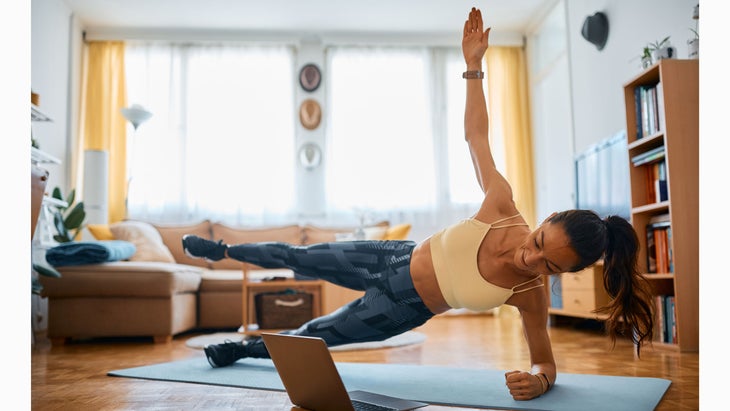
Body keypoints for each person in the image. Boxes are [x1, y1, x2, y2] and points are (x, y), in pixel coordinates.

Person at [181, 7, 654, 401]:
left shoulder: (528, 295)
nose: (531, 258)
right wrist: (473, 66)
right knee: (295, 256)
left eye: (549, 265)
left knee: (314, 336)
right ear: (545, 219)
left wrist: (541, 379)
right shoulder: (503, 205)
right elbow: (476, 136)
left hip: (401, 308)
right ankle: (221, 250)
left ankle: (241, 350)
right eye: (539, 242)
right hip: (391, 256)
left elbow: (544, 358)